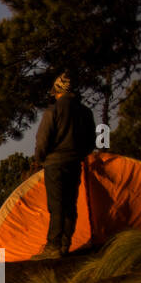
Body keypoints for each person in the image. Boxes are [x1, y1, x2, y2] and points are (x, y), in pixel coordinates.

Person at [30, 72, 96, 260]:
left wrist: (39, 159)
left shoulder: (53, 111)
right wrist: (79, 155)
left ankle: (52, 247)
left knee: (57, 206)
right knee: (70, 204)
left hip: (54, 164)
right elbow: (91, 141)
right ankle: (65, 244)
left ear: (57, 92)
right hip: (75, 163)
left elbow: (42, 140)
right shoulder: (85, 112)